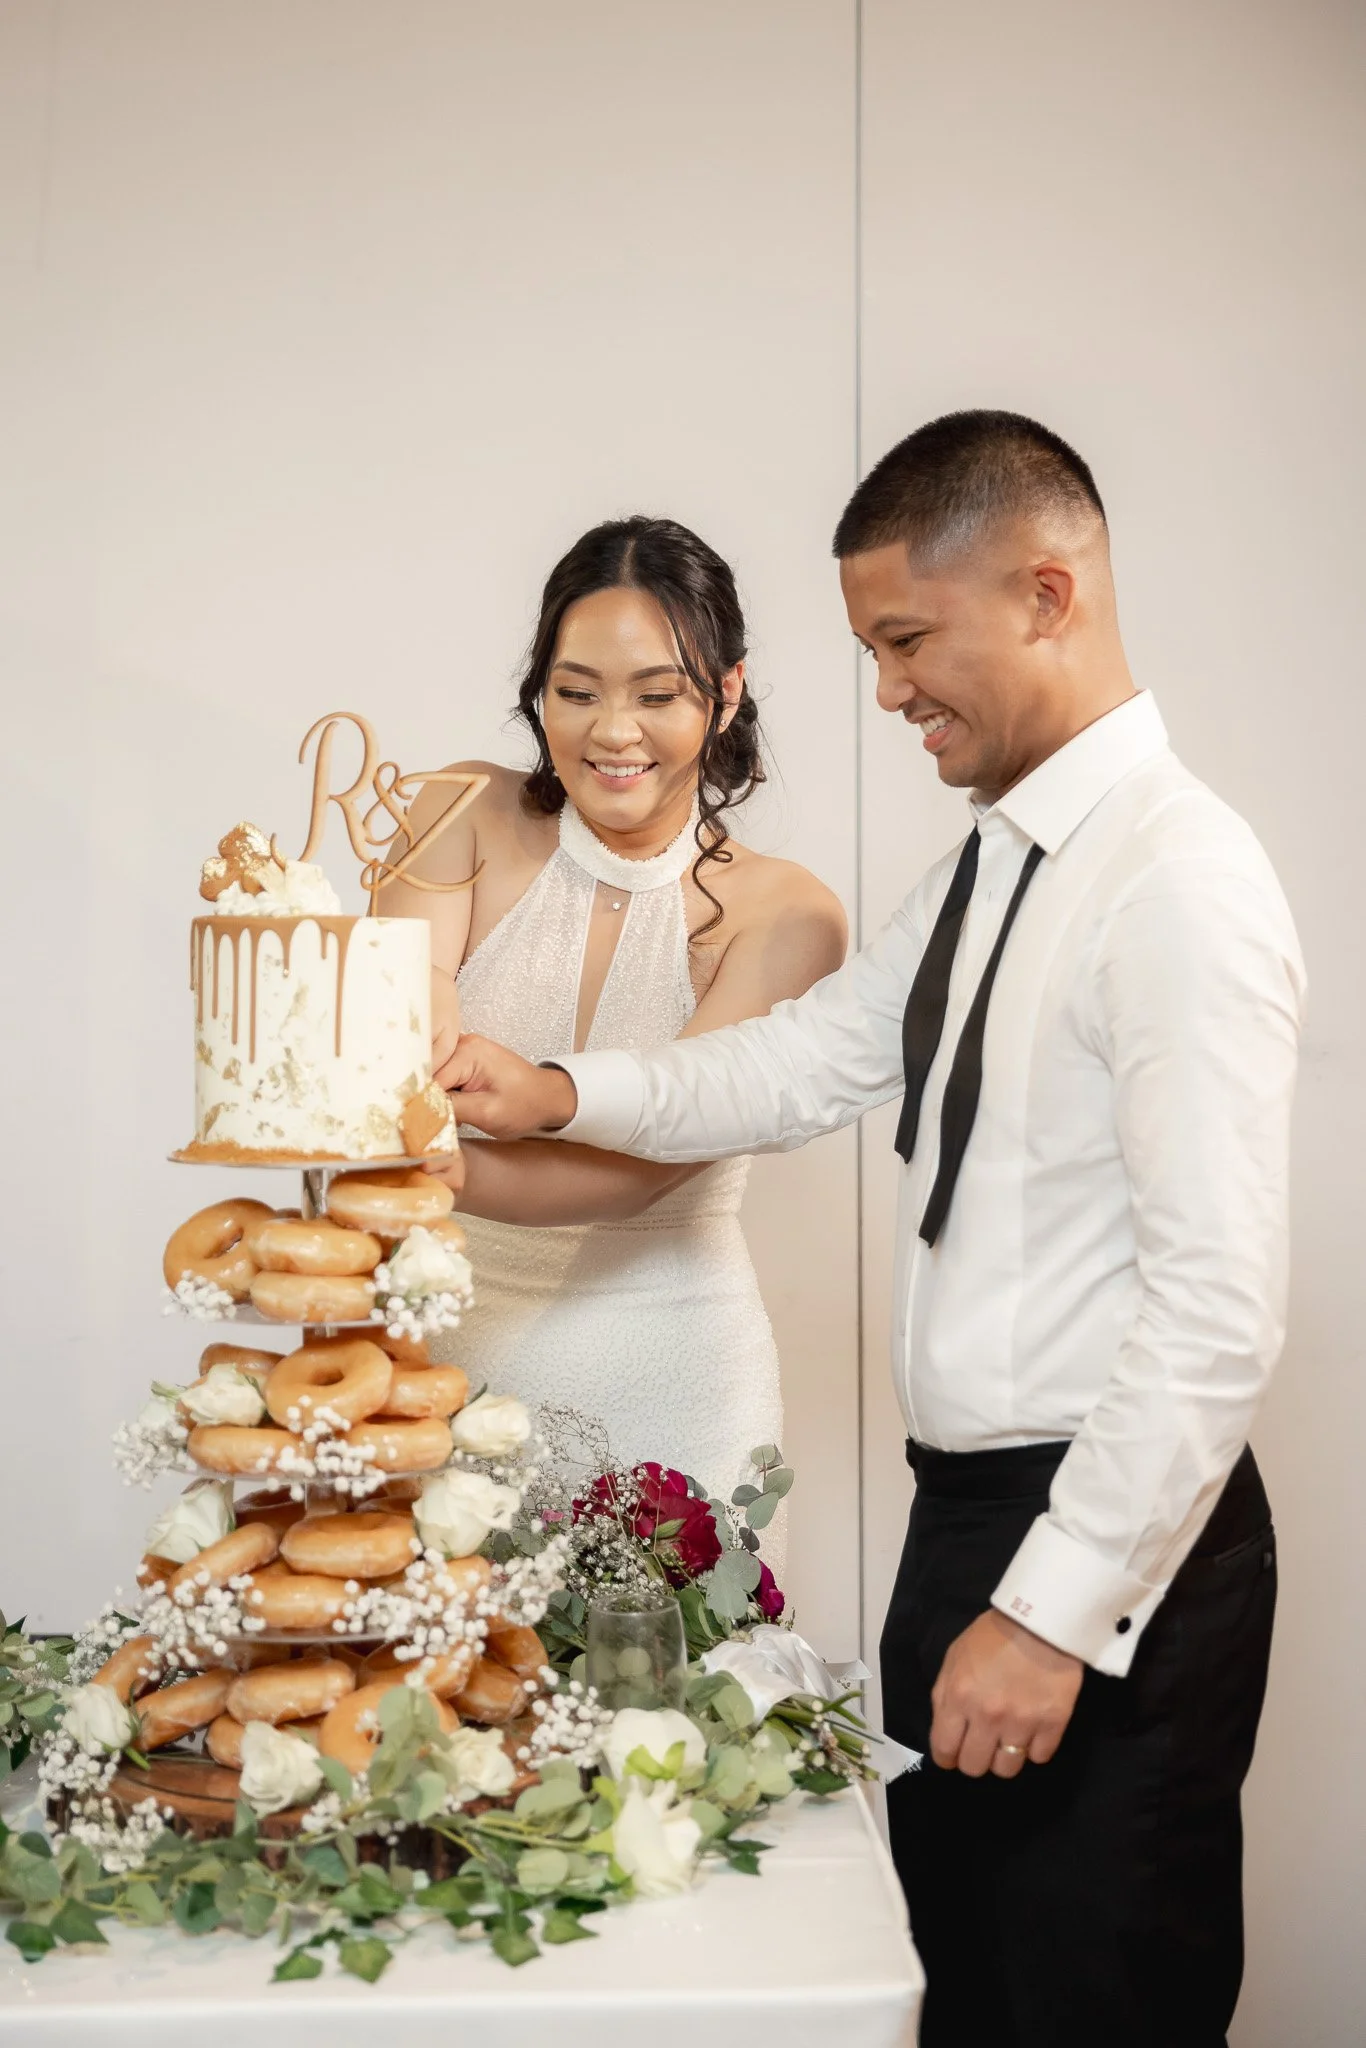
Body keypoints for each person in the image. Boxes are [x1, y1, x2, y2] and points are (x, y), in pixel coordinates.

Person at [433, 414, 1306, 2048]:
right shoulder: (996, 860)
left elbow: (1216, 1310)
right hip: (967, 1516)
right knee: (960, 1996)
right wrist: (551, 1083)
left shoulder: (1178, 877)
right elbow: (801, 1058)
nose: (889, 689)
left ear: (1046, 590)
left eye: (907, 641)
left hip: (1095, 1542)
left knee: (1087, 2001)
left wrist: (1051, 1614)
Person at [381, 515, 846, 1513]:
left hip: (673, 1368)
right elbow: (408, 988)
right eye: (575, 691)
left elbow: (646, 1162)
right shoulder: (454, 811)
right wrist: (406, 1026)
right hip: (441, 1360)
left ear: (725, 692)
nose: (611, 731)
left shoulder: (787, 913)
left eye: (656, 693)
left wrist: (456, 1160)